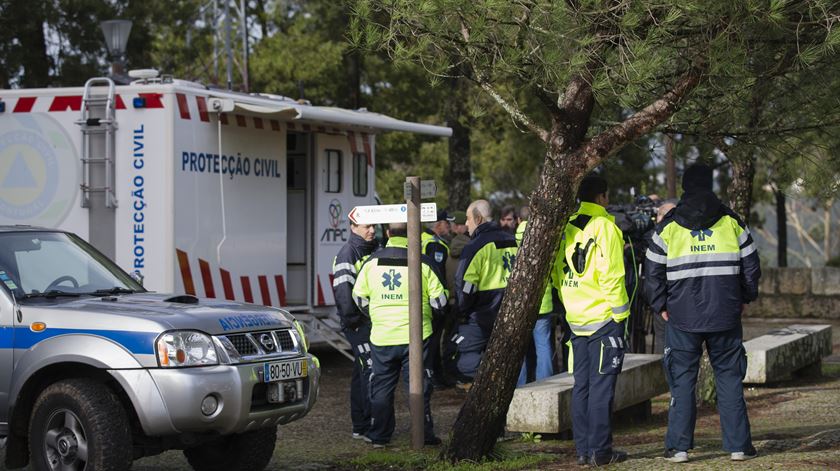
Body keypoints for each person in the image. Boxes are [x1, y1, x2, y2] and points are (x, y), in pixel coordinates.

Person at [644, 164, 761, 463]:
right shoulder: (732, 222)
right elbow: (751, 265)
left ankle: (679, 448)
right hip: (725, 313)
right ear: (710, 184)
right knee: (730, 378)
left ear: (685, 186)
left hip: (682, 317)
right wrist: (744, 298)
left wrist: (661, 306)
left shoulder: (669, 225)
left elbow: (652, 271)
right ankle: (738, 447)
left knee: (682, 381)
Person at [551, 175, 630, 466]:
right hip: (602, 318)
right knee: (602, 389)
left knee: (581, 386)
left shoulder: (566, 226)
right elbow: (612, 276)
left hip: (576, 319)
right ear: (602, 197)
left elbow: (557, 273)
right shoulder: (605, 228)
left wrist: (571, 302)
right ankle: (601, 452)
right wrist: (620, 314)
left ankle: (583, 451)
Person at [352, 222, 447, 447]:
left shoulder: (370, 262)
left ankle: (379, 437)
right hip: (416, 336)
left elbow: (359, 297)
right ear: (413, 232)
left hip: (382, 335)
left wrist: (376, 315)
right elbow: (440, 301)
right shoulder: (424, 262)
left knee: (382, 387)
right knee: (418, 387)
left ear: (387, 233)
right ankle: (423, 434)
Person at [452, 199, 518, 383]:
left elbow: (465, 286)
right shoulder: (512, 240)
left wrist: (462, 311)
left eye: (467, 219)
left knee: (464, 358)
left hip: (481, 316)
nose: (466, 224)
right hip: (509, 314)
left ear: (478, 218)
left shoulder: (475, 246)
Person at [331, 222, 378, 440]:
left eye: (374, 226)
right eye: (367, 227)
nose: (372, 230)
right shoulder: (348, 253)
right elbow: (343, 292)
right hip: (358, 324)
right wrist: (354, 321)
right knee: (369, 370)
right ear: (353, 227)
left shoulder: (371, 248)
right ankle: (368, 426)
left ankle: (360, 426)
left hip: (368, 321)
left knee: (361, 373)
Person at [515, 206, 555, 386]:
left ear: (518, 220)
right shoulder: (545, 236)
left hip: (519, 302)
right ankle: (545, 384)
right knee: (544, 346)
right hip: (543, 301)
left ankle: (520, 385)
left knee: (519, 348)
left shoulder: (512, 239)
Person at [649, 199, 676, 354]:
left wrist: (658, 303)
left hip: (666, 298)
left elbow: (652, 273)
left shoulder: (656, 236)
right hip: (673, 296)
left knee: (663, 338)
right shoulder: (675, 232)